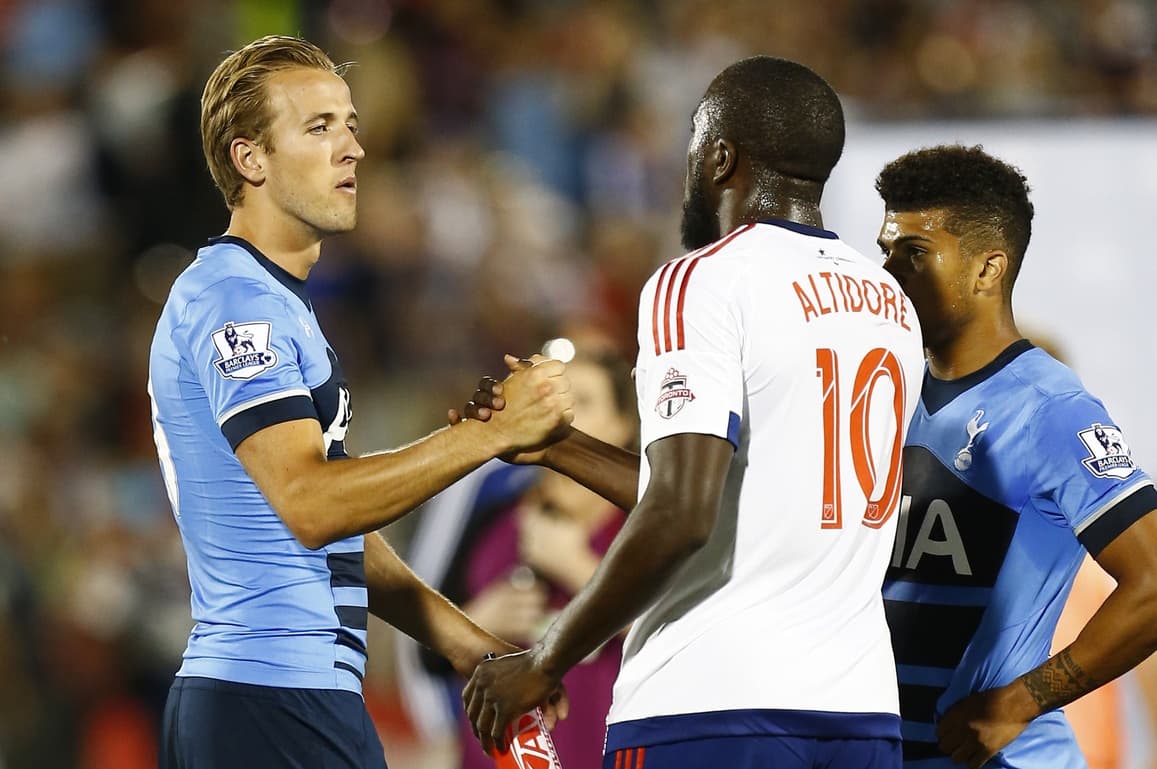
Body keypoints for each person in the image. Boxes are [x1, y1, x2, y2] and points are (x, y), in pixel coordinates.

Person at [460, 55, 925, 769]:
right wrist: (559, 444)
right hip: (858, 711)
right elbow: (746, 499)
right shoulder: (889, 304)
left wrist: (547, 657)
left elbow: (681, 511)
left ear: (719, 156)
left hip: (712, 705)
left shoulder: (699, 280)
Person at [146, 35, 573, 769]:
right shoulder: (234, 300)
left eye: (349, 123)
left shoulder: (274, 299)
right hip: (268, 699)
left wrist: (467, 643)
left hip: (284, 698)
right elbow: (313, 503)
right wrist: (489, 435)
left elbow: (332, 522)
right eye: (317, 128)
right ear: (251, 160)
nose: (352, 149)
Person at [874, 144, 1157, 769]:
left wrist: (1018, 703)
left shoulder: (1051, 408)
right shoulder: (881, 397)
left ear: (988, 269)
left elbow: (1154, 583)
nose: (889, 273)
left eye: (914, 255)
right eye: (886, 251)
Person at [454, 348, 636, 769]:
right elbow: (423, 656)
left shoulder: (651, 527)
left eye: (584, 402)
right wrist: (476, 620)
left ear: (624, 426)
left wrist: (577, 568)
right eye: (555, 399)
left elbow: (688, 636)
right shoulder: (494, 520)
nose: (564, 415)